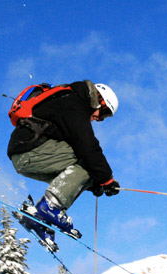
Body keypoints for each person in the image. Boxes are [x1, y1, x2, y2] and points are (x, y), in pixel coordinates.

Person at [7, 80, 120, 245]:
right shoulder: (74, 104)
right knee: (88, 160)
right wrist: (107, 178)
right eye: (103, 114)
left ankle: (38, 221)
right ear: (99, 101)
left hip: (26, 156)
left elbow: (74, 172)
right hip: (30, 151)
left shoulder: (69, 102)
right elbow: (87, 146)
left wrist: (95, 182)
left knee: (90, 168)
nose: (98, 119)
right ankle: (50, 207)